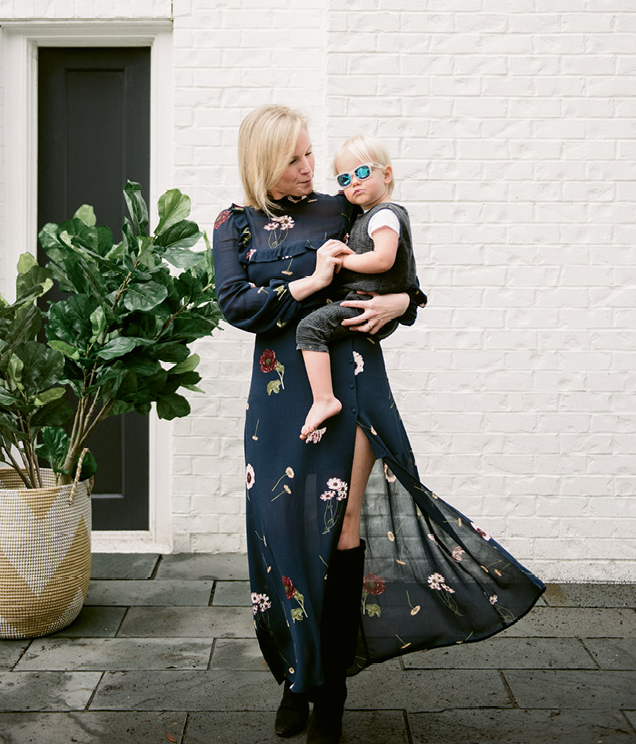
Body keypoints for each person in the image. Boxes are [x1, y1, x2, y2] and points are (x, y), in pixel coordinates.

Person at [212, 104, 544, 744]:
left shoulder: (340, 207)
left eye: (311, 152)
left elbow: (394, 258)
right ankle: (296, 675)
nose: (312, 167)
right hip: (281, 396)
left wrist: (403, 301)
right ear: (263, 164)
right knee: (282, 536)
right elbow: (237, 306)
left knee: (340, 537)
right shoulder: (233, 224)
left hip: (353, 386)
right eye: (295, 159)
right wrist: (310, 283)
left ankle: (329, 694)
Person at [297, 135, 417, 442]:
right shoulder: (366, 216)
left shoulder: (385, 215)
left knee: (309, 328)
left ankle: (325, 399)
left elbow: (383, 259)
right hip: (365, 299)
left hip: (366, 301)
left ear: (386, 174)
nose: (355, 183)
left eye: (362, 172)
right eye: (345, 178)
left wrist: (345, 261)